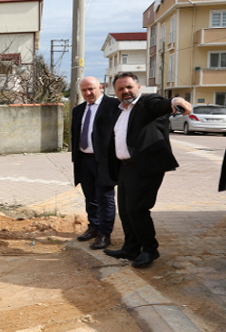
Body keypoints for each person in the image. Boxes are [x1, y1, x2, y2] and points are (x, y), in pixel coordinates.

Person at [103, 72, 192, 268]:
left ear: (139, 87)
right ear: (115, 92)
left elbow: (160, 103)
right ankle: (131, 247)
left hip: (145, 168)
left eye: (129, 87)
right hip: (125, 168)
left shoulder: (146, 104)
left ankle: (150, 249)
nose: (125, 91)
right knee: (126, 211)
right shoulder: (121, 110)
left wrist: (176, 100)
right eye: (120, 89)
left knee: (137, 209)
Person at [70, 77, 120, 249]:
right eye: (84, 90)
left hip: (104, 161)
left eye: (91, 89)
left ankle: (105, 235)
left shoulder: (114, 106)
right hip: (84, 160)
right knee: (90, 197)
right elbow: (75, 135)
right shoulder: (78, 110)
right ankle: (93, 227)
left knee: (105, 198)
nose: (88, 93)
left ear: (100, 87)